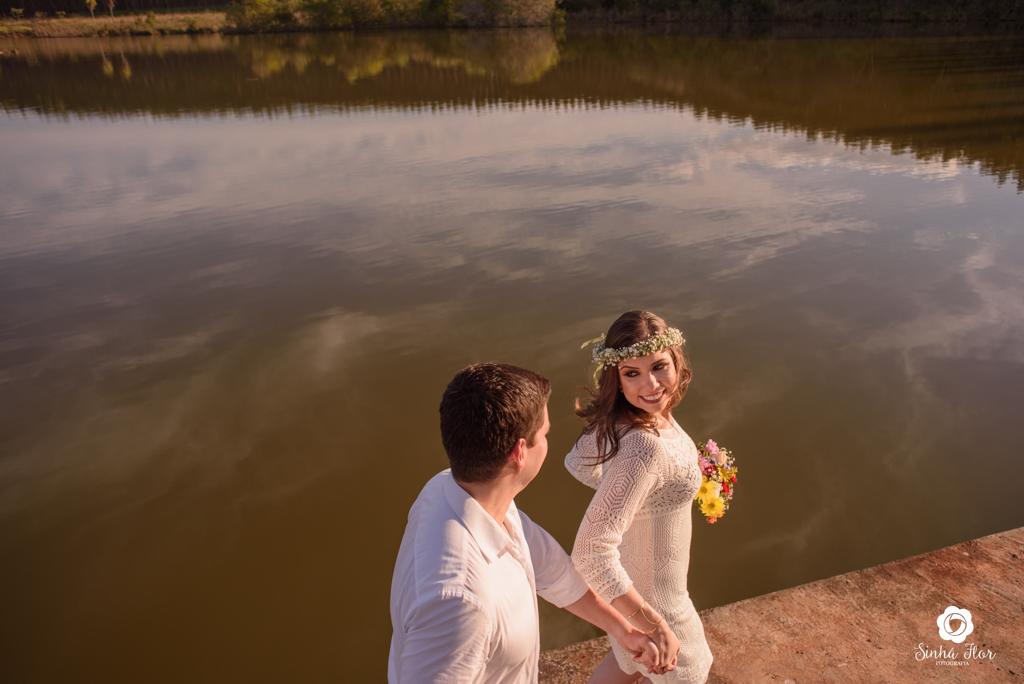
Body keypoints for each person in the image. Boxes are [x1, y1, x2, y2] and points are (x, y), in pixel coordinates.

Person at [389, 362, 673, 683]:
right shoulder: (458, 603)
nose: (548, 441)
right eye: (545, 434)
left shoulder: (452, 489)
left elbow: (551, 569)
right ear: (519, 452)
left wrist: (624, 631)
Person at [566, 311, 714, 684]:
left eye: (660, 367)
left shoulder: (641, 419)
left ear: (677, 362)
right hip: (660, 610)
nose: (650, 385)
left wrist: (642, 500)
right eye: (632, 373)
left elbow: (578, 462)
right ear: (616, 377)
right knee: (693, 671)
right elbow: (589, 551)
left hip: (644, 587)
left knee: (625, 669)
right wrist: (654, 624)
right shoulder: (642, 448)